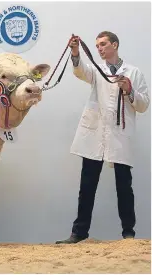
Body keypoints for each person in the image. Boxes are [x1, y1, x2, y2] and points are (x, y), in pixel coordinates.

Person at [56, 31, 150, 244]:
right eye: (97, 45)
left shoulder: (133, 73)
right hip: (95, 133)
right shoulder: (97, 71)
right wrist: (75, 51)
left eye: (103, 44)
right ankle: (79, 233)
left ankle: (128, 233)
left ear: (115, 45)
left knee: (124, 185)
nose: (99, 48)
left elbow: (144, 105)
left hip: (120, 135)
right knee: (87, 184)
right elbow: (81, 72)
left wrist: (130, 90)